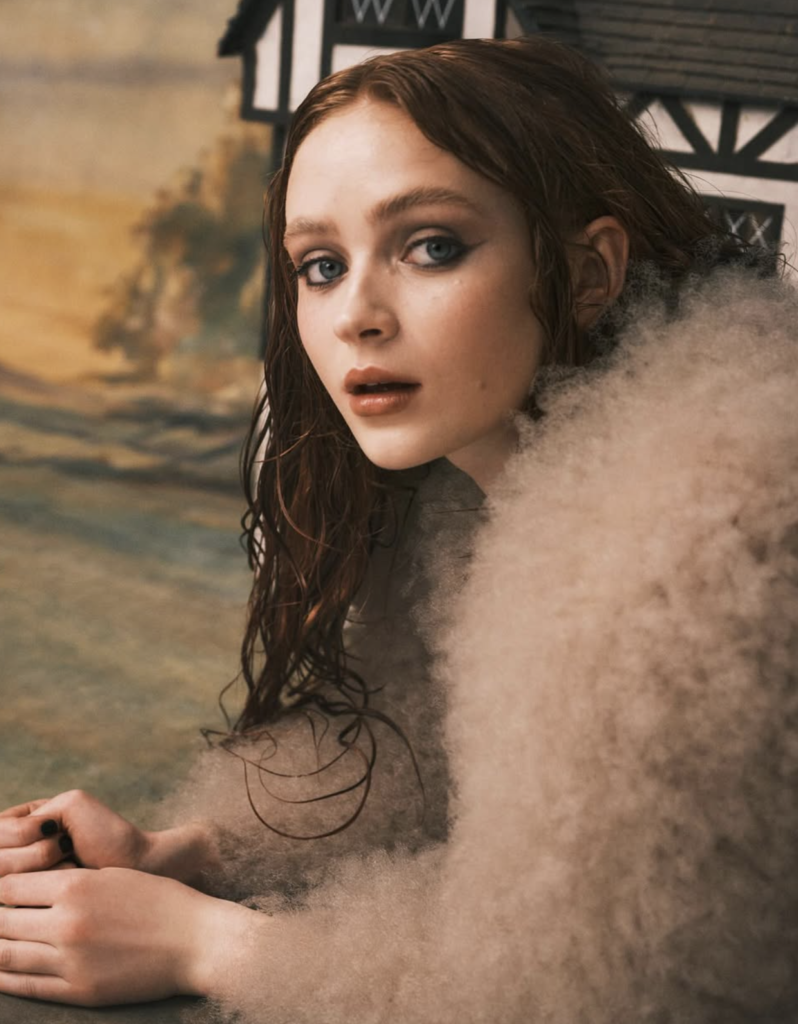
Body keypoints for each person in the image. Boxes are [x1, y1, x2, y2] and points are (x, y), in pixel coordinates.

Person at [1, 36, 797, 1023]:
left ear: (590, 271)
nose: (357, 317)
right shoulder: (490, 472)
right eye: (321, 266)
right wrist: (190, 852)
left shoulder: (696, 534)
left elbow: (586, 986)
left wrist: (200, 939)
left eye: (430, 247)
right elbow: (424, 739)